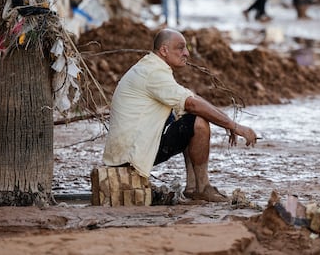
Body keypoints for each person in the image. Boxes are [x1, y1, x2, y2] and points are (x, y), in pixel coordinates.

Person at [103, 29, 258, 202]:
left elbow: (191, 99)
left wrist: (228, 123)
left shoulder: (151, 67)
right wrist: (235, 126)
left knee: (186, 115)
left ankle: (192, 188)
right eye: (181, 48)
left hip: (126, 151)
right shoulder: (154, 73)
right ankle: (202, 187)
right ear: (164, 50)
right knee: (197, 121)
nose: (187, 53)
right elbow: (192, 104)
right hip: (130, 155)